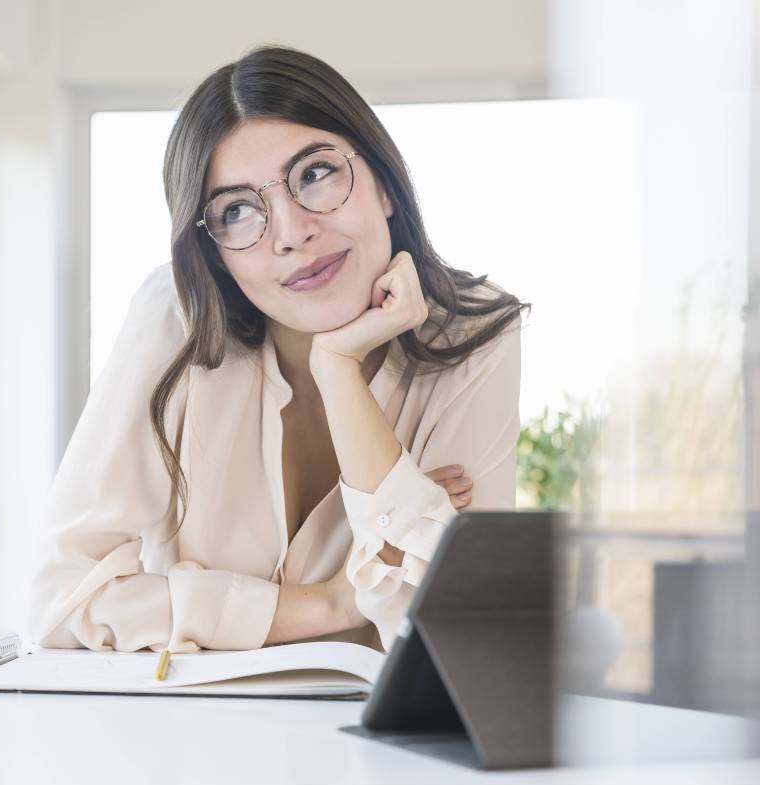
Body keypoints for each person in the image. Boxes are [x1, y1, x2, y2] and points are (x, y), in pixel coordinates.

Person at [30, 45, 528, 655]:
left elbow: (457, 630)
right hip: (183, 739)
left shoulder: (476, 335)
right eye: (237, 210)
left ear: (385, 184)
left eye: (315, 175)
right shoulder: (175, 315)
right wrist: (332, 604)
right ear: (215, 252)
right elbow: (63, 605)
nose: (293, 234)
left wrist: (339, 368)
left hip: (377, 745)